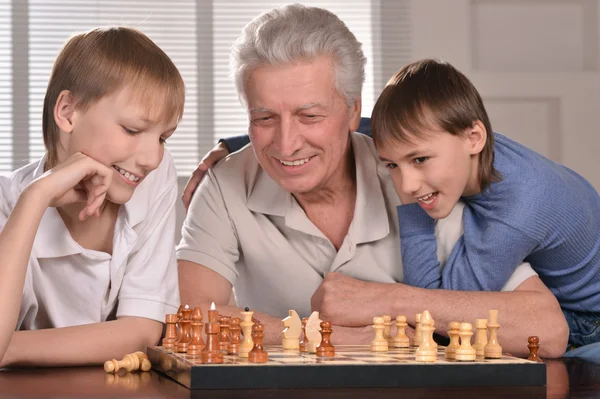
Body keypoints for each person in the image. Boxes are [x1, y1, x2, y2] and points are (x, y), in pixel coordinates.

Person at [178, 4, 567, 357]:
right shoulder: (224, 184)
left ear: (353, 111)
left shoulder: (412, 177)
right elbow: (191, 317)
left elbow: (547, 330)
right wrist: (335, 336)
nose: (286, 144)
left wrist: (389, 301)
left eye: (309, 116)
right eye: (264, 119)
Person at [370, 59, 600, 357]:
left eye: (420, 160)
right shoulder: (472, 147)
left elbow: (439, 308)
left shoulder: (518, 210)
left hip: (586, 321)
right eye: (392, 165)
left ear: (474, 138)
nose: (407, 184)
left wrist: (413, 210)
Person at [0, 27, 183, 367]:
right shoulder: (7, 200)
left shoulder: (153, 177)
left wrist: (11, 350)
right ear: (68, 111)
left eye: (163, 138)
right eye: (132, 129)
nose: (152, 158)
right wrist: (35, 198)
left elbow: (142, 331)